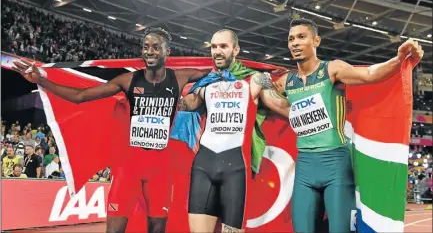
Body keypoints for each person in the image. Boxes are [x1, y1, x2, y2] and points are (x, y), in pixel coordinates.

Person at [13, 27, 211, 233]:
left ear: (167, 52)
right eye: (145, 47)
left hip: (160, 169)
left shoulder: (180, 78)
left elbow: (215, 73)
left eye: (155, 47)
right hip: (129, 167)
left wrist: (236, 63)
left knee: (157, 229)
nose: (149, 51)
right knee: (114, 229)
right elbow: (81, 96)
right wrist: (41, 80)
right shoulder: (128, 80)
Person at [272, 18, 424, 233]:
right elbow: (267, 96)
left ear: (316, 40)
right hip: (304, 166)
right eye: (291, 39)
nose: (295, 43)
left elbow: (370, 74)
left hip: (336, 165)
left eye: (301, 37)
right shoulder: (286, 81)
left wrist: (398, 60)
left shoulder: (332, 70)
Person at [178, 29, 290, 233]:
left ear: (236, 49)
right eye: (213, 47)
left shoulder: (254, 80)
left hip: (236, 169)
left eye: (223, 46)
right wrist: (167, 87)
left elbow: (283, 107)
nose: (217, 51)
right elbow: (183, 105)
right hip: (203, 166)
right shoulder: (206, 82)